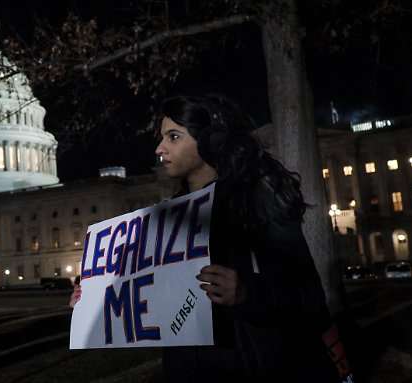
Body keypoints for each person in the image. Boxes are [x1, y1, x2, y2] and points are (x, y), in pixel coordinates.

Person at [69, 93, 350, 382]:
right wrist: (96, 299)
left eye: (173, 137)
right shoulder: (168, 216)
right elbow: (155, 299)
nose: (159, 148)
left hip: (254, 363)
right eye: (162, 137)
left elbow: (306, 293)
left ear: (210, 139)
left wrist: (247, 292)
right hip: (188, 370)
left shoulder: (256, 196)